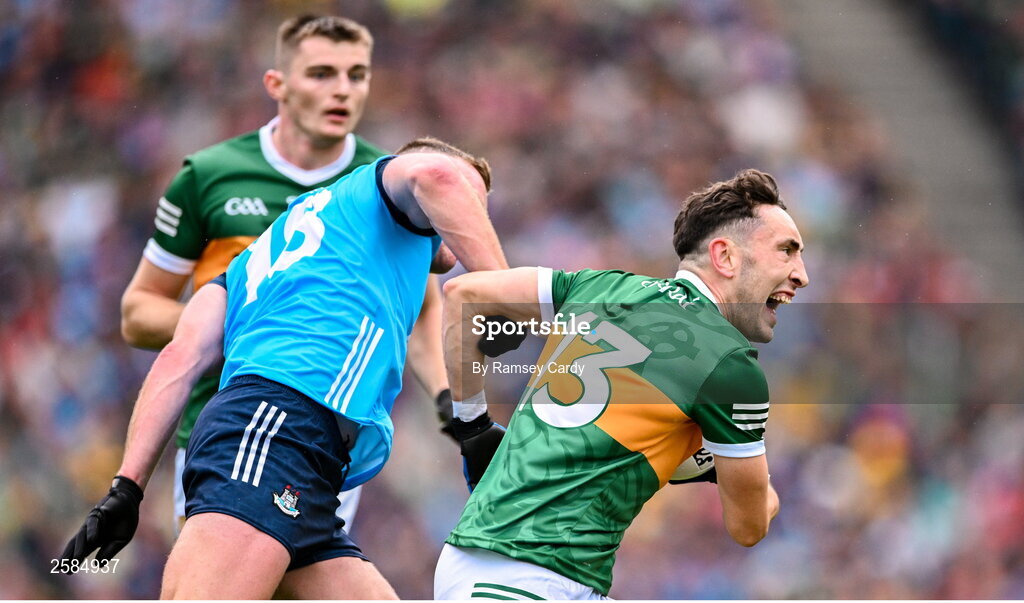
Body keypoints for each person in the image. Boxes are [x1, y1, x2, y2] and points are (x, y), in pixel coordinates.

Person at [62, 138, 508, 599]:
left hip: (304, 462)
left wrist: (127, 489)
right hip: (273, 432)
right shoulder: (391, 187)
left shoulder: (266, 258)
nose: (471, 219)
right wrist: (508, 293)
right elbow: (440, 176)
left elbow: (180, 358)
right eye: (473, 202)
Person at [119, 14, 453, 531]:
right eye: (321, 73)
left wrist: (447, 401)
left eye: (356, 74)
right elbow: (137, 312)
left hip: (331, 437)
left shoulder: (384, 182)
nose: (342, 90)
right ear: (277, 84)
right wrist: (242, 328)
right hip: (219, 425)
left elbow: (424, 311)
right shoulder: (210, 176)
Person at [435, 169, 809, 600]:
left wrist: (473, 426)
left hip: (489, 563)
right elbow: (748, 526)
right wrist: (747, 480)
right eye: (787, 251)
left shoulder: (599, 286)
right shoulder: (728, 365)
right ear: (724, 257)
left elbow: (463, 295)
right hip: (529, 577)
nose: (802, 275)